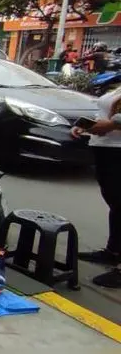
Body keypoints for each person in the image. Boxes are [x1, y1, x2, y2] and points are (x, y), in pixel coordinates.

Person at [71, 87, 121, 288]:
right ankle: (113, 251)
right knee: (116, 205)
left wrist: (109, 125)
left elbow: (113, 120)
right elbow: (103, 111)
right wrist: (87, 126)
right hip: (106, 149)